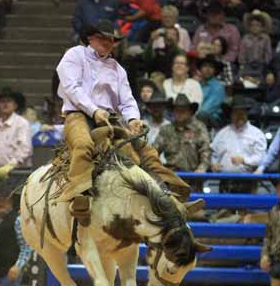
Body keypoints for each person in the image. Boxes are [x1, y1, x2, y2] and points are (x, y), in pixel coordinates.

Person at [55, 19, 191, 224]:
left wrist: (134, 119)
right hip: (78, 114)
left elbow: (127, 101)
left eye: (112, 39)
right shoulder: (74, 55)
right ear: (90, 38)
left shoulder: (117, 68)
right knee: (83, 145)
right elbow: (72, 88)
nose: (108, 42)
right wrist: (94, 111)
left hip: (110, 119)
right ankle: (79, 196)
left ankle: (168, 191)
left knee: (145, 149)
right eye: (103, 37)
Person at [154, 93, 210, 172]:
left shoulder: (199, 128)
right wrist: (156, 167)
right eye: (177, 110)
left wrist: (202, 168)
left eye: (183, 110)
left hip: (194, 175)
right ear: (173, 111)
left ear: (190, 111)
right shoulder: (166, 130)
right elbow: (154, 151)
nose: (179, 113)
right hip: (172, 176)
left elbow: (205, 150)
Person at [211, 96, 266, 174]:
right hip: (225, 178)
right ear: (231, 115)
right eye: (237, 113)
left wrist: (244, 160)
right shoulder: (222, 134)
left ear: (246, 114)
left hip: (249, 178)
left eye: (242, 113)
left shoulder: (257, 134)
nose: (240, 116)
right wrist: (214, 164)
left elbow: (262, 158)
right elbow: (214, 154)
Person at [238, 9, 273, 88]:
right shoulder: (245, 38)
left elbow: (268, 54)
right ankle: (252, 85)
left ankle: (257, 86)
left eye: (257, 25)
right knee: (240, 80)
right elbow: (242, 56)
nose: (255, 27)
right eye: (252, 25)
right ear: (249, 27)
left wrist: (265, 65)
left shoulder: (266, 38)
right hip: (248, 66)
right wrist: (243, 66)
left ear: (262, 27)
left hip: (262, 66)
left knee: (264, 81)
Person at [196, 55, 226, 127]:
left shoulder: (218, 87)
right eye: (205, 66)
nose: (207, 69)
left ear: (215, 70)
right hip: (196, 116)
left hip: (212, 122)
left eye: (211, 67)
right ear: (200, 69)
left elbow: (206, 110)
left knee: (202, 114)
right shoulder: (197, 84)